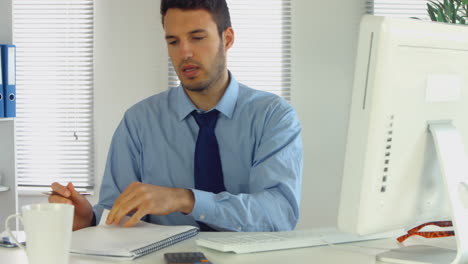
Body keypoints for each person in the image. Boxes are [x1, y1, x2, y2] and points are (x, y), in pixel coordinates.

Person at [49, 0, 303, 232]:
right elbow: (116, 213)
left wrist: (185, 199)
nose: (185, 53)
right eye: (173, 41)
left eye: (197, 38)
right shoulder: (138, 122)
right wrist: (89, 220)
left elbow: (279, 215)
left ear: (227, 39)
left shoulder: (273, 117)